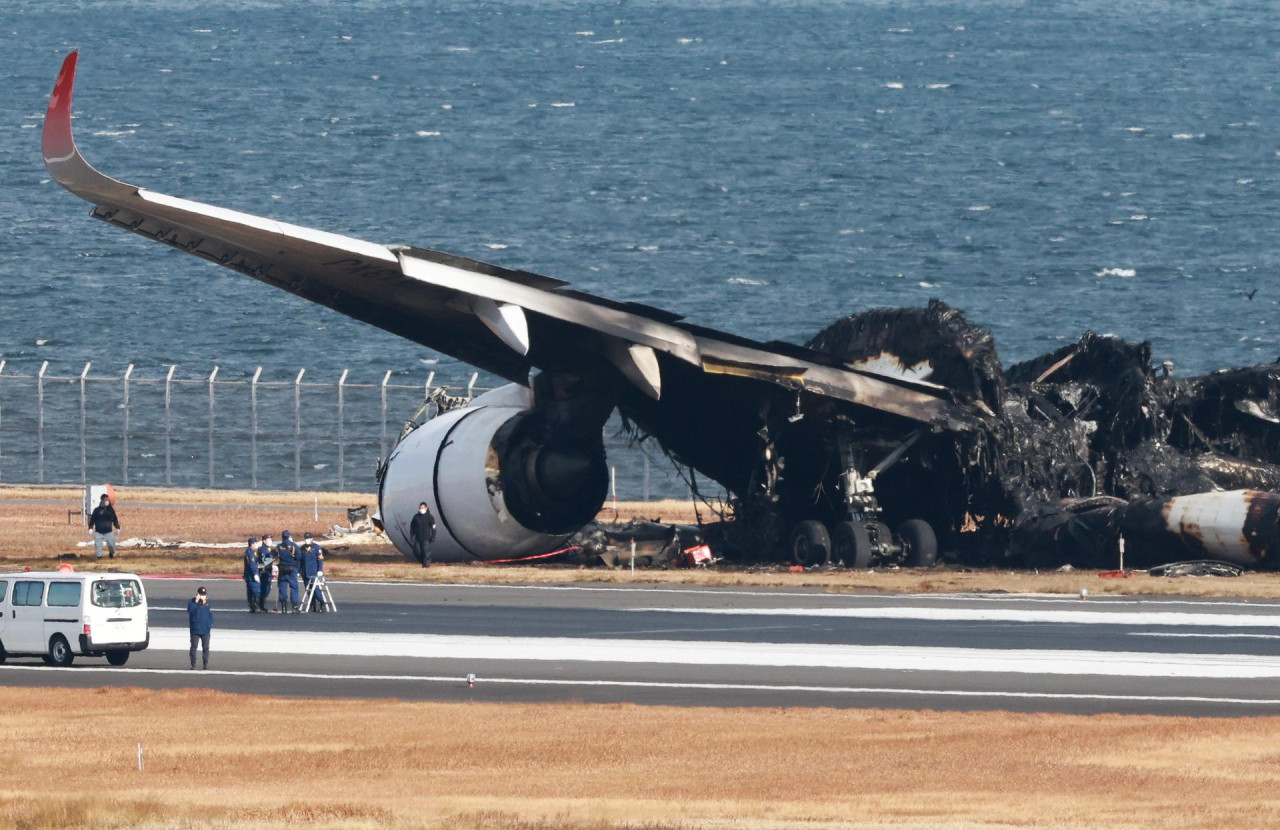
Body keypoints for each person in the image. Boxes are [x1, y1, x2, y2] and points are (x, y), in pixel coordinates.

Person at [186, 586, 213, 670]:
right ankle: (193, 664)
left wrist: (209, 625)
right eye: (201, 594)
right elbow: (191, 611)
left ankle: (205, 664)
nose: (203, 596)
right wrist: (196, 601)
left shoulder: (207, 603)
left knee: (206, 647)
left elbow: (210, 615)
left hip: (205, 630)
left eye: (204, 594)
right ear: (197, 594)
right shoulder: (192, 602)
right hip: (195, 629)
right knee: (194, 647)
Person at [88, 493, 120, 560]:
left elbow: (114, 518)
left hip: (108, 531)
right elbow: (92, 519)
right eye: (106, 500)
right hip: (99, 532)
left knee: (112, 545)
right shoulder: (96, 510)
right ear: (102, 500)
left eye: (108, 500)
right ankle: (99, 557)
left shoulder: (111, 510)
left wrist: (117, 527)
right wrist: (90, 528)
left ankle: (111, 553)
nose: (107, 501)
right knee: (98, 545)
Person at [300, 532, 327, 612]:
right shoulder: (302, 548)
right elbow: (300, 561)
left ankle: (321, 603)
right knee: (307, 589)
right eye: (306, 538)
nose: (307, 540)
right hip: (305, 572)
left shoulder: (316, 548)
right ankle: (312, 604)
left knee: (315, 589)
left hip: (313, 571)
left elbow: (320, 560)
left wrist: (320, 570)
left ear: (312, 539)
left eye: (308, 538)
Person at [275, 530, 301, 613]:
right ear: (289, 536)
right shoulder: (294, 546)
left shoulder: (278, 546)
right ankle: (294, 607)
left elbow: (274, 556)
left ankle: (284, 607)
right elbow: (299, 557)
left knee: (282, 587)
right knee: (294, 587)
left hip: (282, 569)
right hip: (292, 569)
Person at [409, 502, 437, 567]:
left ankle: (426, 565)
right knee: (416, 551)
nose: (421, 509)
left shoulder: (430, 517)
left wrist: (433, 536)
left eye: (423, 508)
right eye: (420, 508)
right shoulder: (416, 517)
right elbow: (412, 526)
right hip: (417, 538)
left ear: (426, 508)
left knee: (426, 552)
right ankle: (423, 561)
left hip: (426, 538)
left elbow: (434, 527)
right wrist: (412, 535)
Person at [255, 534, 276, 614]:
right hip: (263, 572)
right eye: (268, 539)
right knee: (264, 590)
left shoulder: (268, 549)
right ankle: (260, 605)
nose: (270, 541)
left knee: (267, 589)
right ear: (264, 541)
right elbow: (265, 562)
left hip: (268, 572)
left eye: (270, 539)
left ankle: (261, 605)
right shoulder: (262, 550)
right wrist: (273, 557)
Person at [242, 536, 260, 613]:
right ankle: (255, 606)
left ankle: (252, 606)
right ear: (252, 544)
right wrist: (255, 574)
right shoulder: (250, 553)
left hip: (248, 575)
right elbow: (252, 565)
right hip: (251, 575)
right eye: (255, 543)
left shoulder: (250, 552)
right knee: (255, 590)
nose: (256, 544)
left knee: (250, 590)